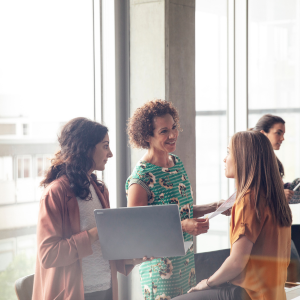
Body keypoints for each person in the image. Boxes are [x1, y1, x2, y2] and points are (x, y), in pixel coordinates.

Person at [32, 117, 150, 300]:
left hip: (106, 290)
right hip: (74, 295)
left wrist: (133, 258)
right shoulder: (55, 193)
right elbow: (48, 255)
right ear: (86, 148)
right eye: (105, 146)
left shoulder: (100, 189)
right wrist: (95, 233)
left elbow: (105, 248)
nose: (110, 153)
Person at [125, 99, 229, 299]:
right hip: (160, 269)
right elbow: (136, 230)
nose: (172, 135)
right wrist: (182, 226)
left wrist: (214, 206)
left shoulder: (177, 163)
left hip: (185, 263)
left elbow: (182, 210)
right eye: (164, 131)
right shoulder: (141, 178)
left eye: (173, 128)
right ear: (147, 136)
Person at [172, 131, 292, 300]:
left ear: (244, 159)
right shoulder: (273, 198)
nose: (224, 159)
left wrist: (206, 283)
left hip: (249, 294)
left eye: (229, 152)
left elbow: (237, 262)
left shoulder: (249, 199)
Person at [250, 114, 300, 204]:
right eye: (278, 133)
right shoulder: (251, 161)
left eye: (283, 134)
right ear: (263, 134)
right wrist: (277, 197)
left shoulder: (270, 158)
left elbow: (277, 189)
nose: (282, 138)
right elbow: (250, 198)